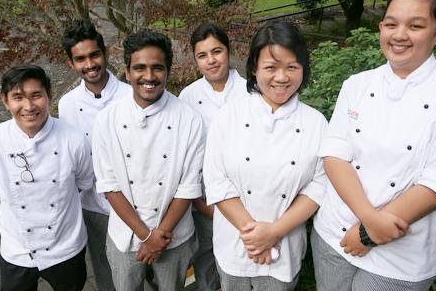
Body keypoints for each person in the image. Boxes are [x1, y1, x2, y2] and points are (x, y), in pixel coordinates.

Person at [313, 0, 436, 290]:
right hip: (333, 235)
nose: (399, 34)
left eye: (416, 25)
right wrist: (369, 220)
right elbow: (334, 154)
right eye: (391, 24)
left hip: (400, 258)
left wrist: (368, 232)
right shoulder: (357, 83)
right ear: (381, 28)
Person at [203, 21, 329, 291]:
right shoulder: (229, 116)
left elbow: (318, 187)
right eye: (271, 67)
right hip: (234, 245)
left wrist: (273, 233)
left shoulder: (316, 123)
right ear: (254, 69)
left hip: (284, 247)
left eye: (291, 67)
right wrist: (255, 236)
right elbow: (216, 180)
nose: (281, 77)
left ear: (303, 69)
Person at [91, 29, 205, 290]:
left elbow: (188, 187)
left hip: (173, 237)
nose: (149, 76)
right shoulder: (107, 119)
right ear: (128, 72)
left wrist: (158, 237)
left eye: (158, 68)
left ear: (168, 71)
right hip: (124, 235)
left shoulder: (189, 119)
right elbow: (109, 185)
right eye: (140, 68)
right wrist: (146, 236)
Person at [0, 64, 93, 290]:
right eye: (18, 97)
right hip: (17, 249)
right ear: (5, 101)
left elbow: (84, 182)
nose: (28, 106)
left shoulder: (75, 140)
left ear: (49, 96)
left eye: (36, 95)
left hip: (66, 248)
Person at [59, 19, 130, 291]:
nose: (89, 64)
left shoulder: (130, 96)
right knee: (105, 271)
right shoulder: (67, 105)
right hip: (94, 207)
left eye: (94, 55)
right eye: (80, 59)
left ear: (105, 53)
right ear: (71, 64)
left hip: (135, 203)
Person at [179, 22, 247, 291]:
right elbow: (186, 155)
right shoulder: (188, 97)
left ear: (228, 51)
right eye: (202, 55)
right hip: (205, 199)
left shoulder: (250, 91)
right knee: (205, 255)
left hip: (245, 198)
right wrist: (198, 200)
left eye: (216, 51)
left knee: (239, 259)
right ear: (195, 59)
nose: (211, 61)